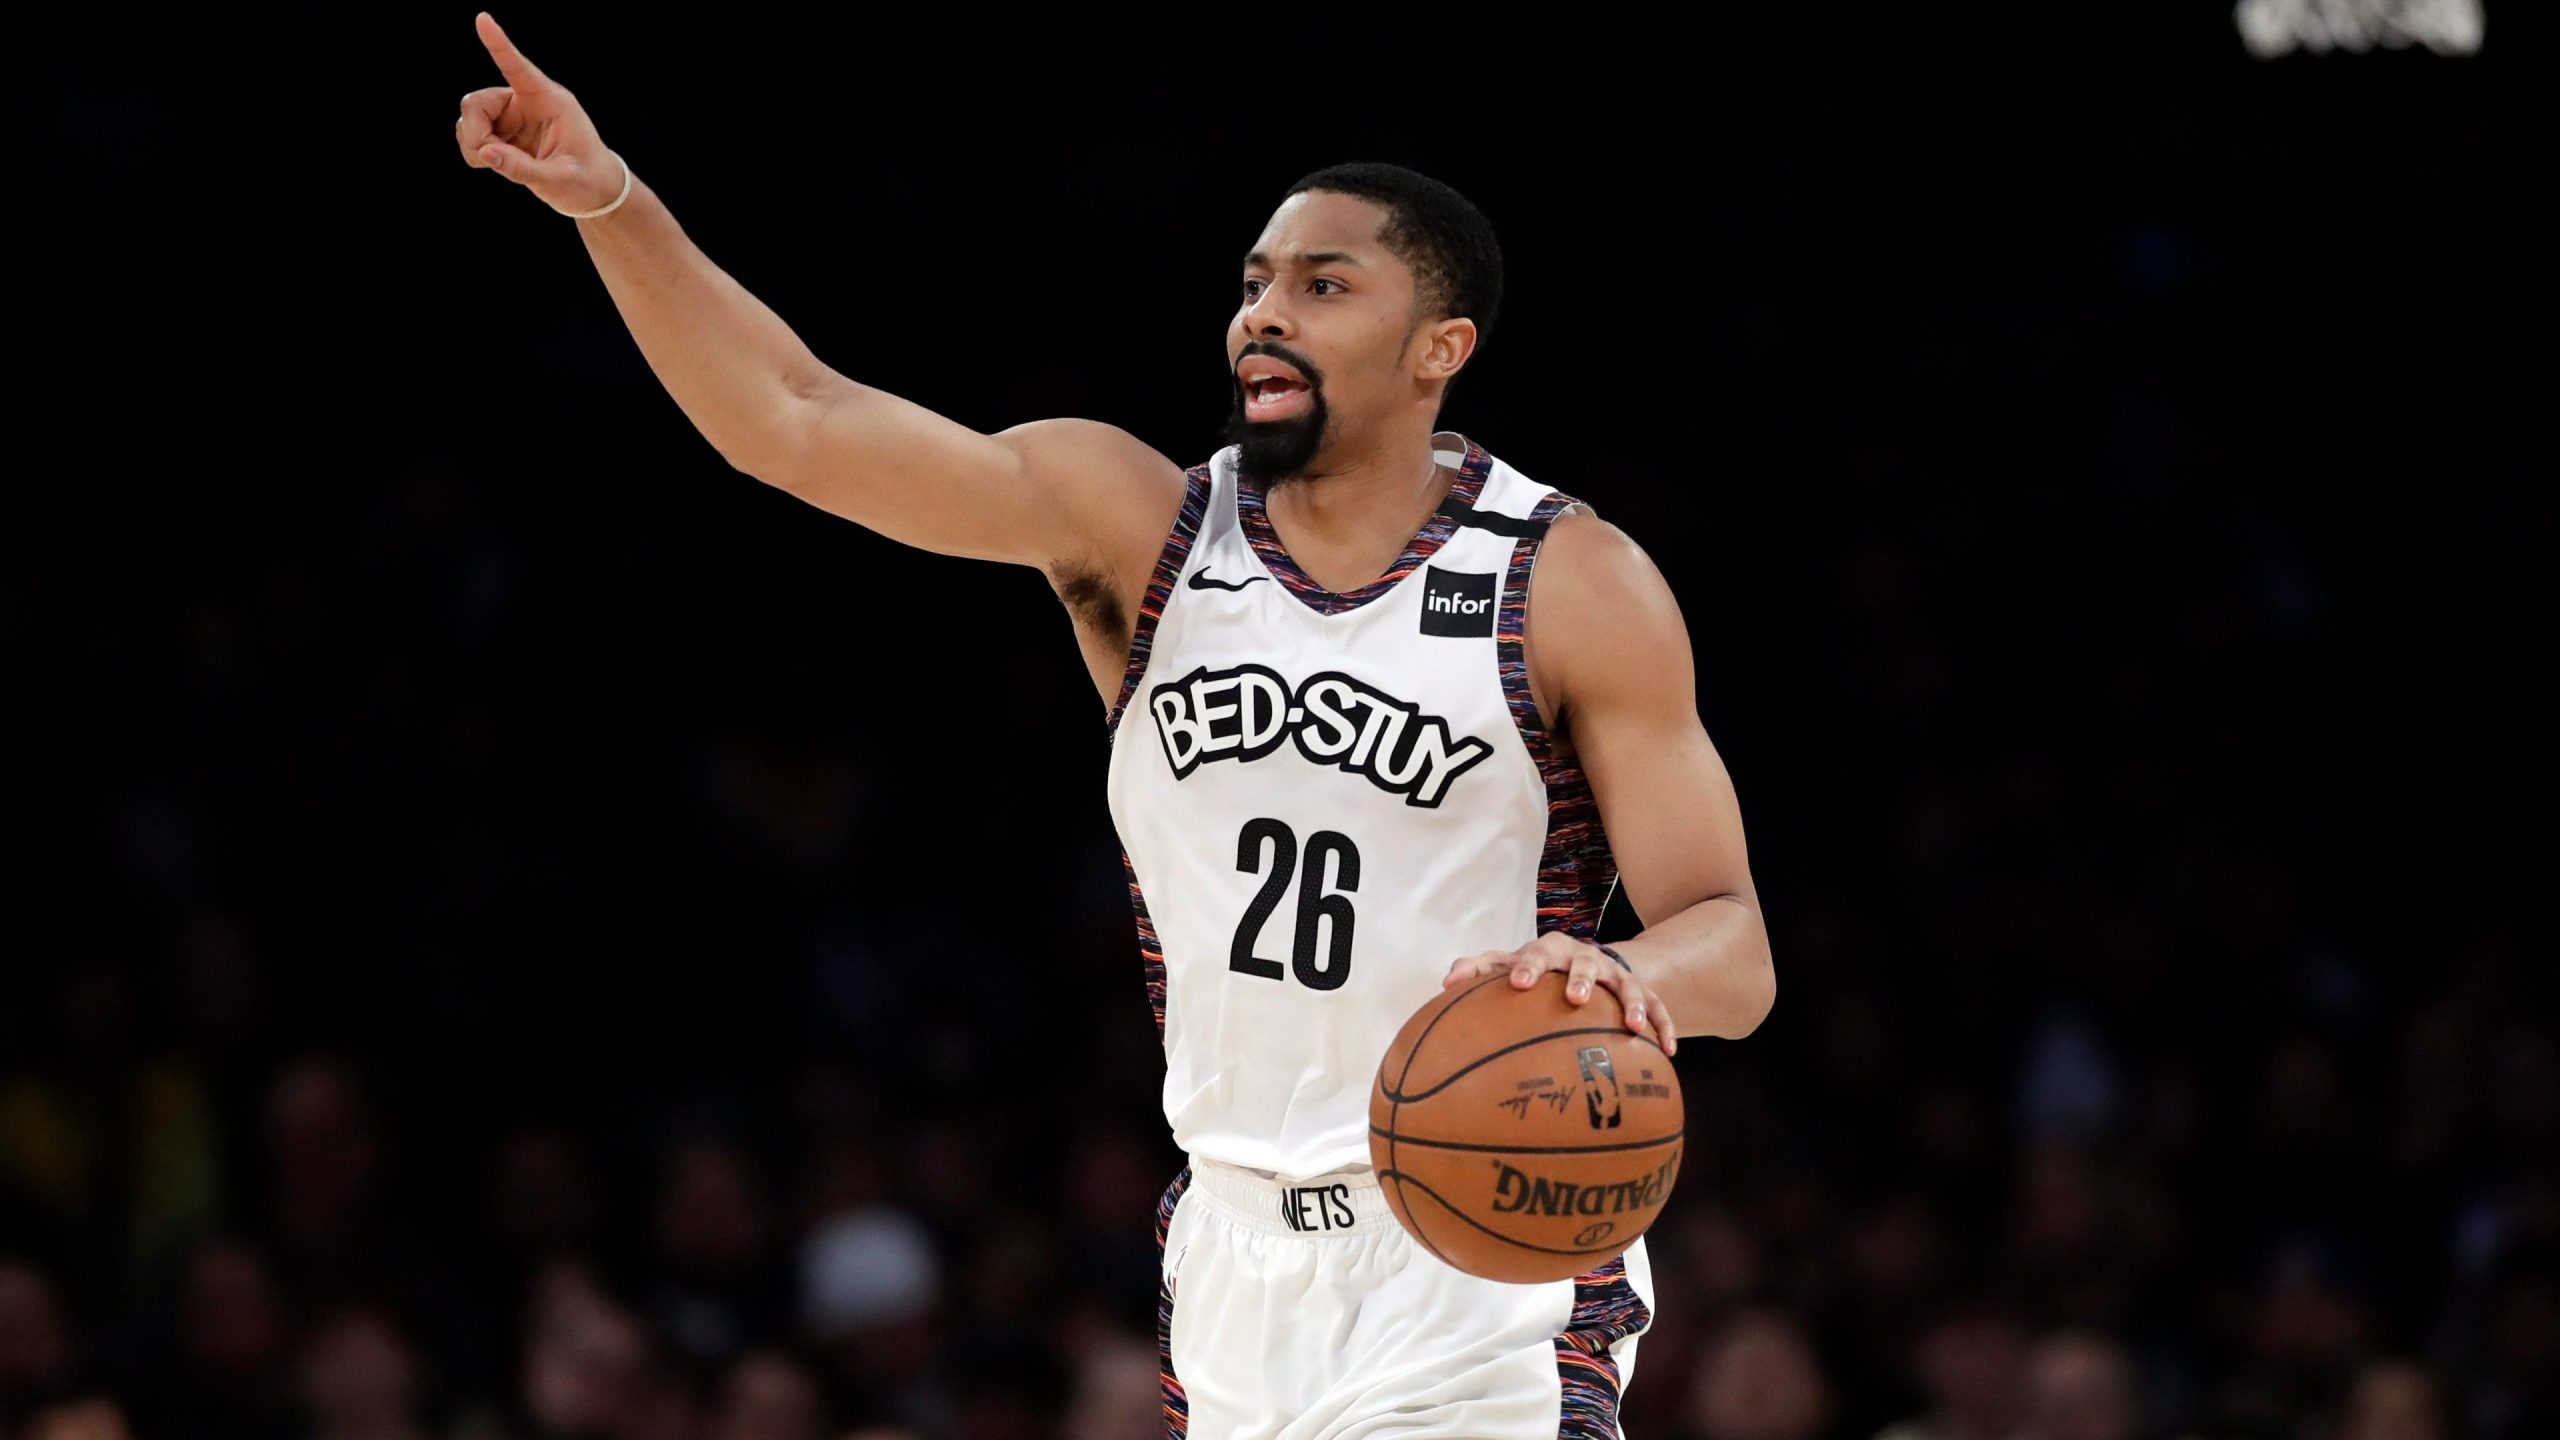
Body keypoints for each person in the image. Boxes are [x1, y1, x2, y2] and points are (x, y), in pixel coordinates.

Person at [455, 12, 1775, 1435]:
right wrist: (611, 198)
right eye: (1257, 281)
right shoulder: (1142, 528)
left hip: (1479, 1246)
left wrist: (1625, 975)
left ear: (1437, 346)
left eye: (1324, 286)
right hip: (1230, 1246)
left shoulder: (1568, 580)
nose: (1263, 312)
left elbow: (1735, 949)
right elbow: (793, 418)